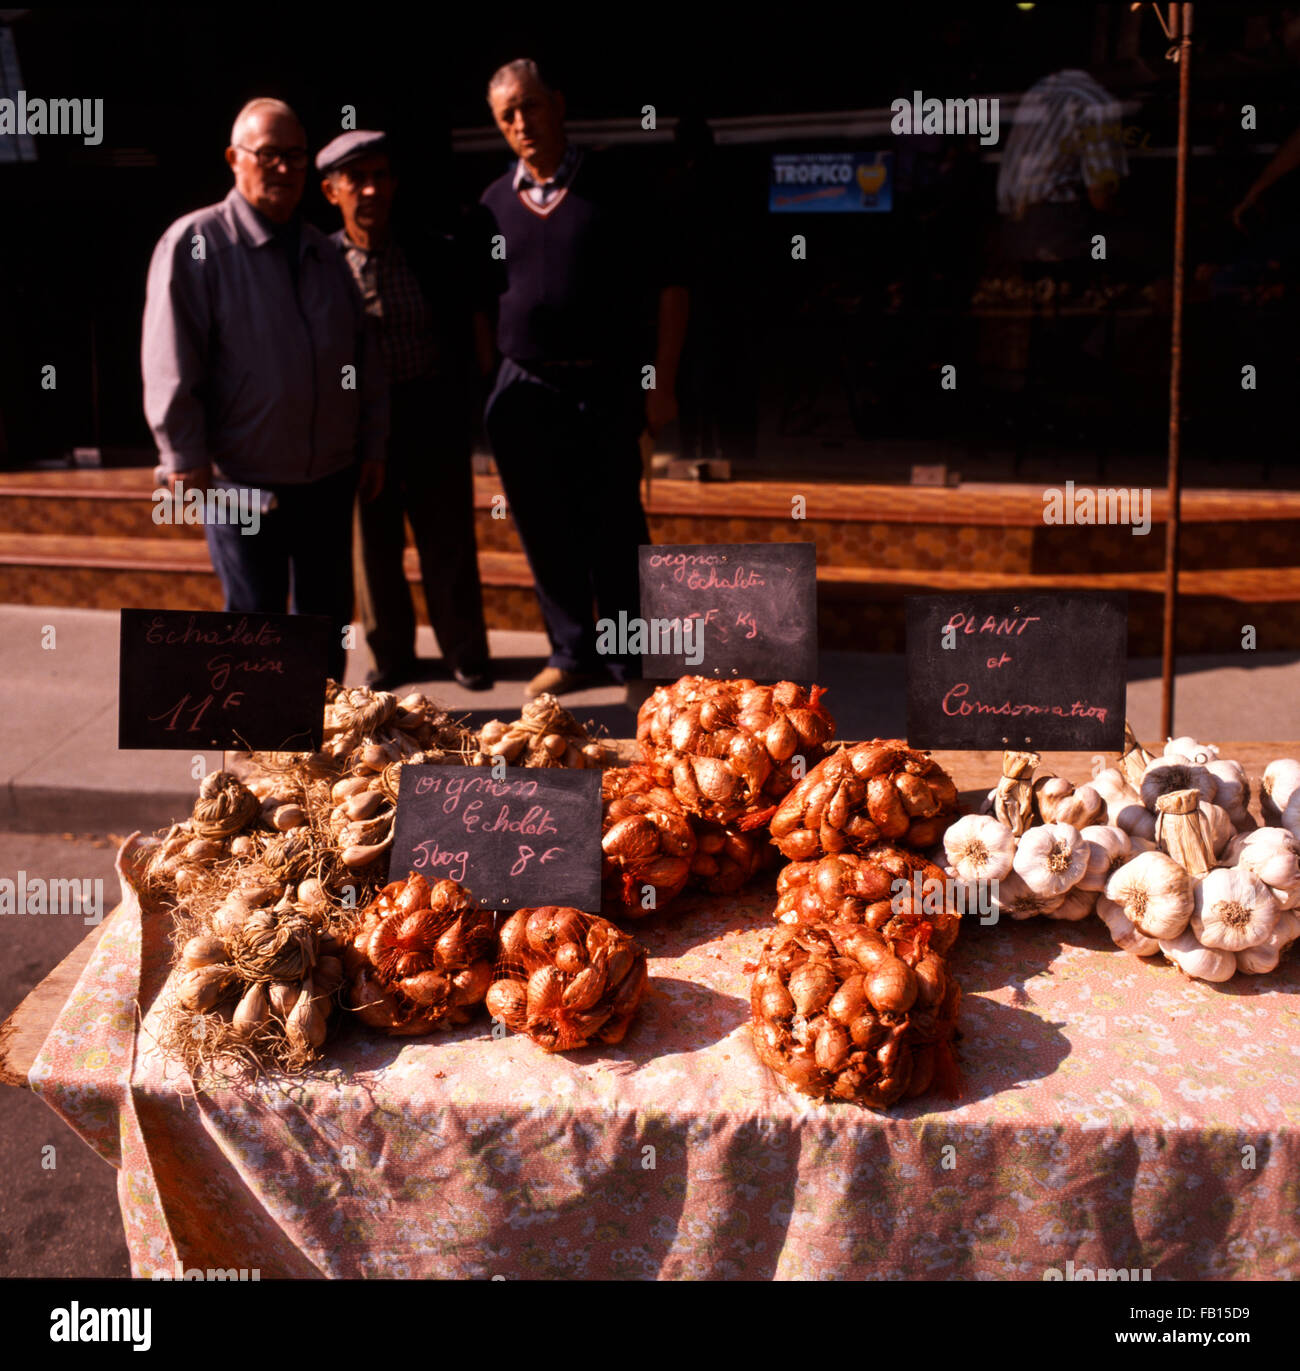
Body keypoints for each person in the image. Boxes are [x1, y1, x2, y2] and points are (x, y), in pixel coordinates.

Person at [142, 98, 387, 682]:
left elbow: (363, 358)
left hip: (327, 475)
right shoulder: (196, 244)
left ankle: (324, 749)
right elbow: (169, 358)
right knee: (255, 626)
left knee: (327, 624)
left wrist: (372, 444)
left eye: (296, 157)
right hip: (237, 477)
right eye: (269, 155)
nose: (284, 169)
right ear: (234, 158)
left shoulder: (324, 253)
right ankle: (260, 758)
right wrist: (182, 455)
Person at [476, 58, 689, 700]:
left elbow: (672, 288)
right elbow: (479, 303)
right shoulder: (490, 205)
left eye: (531, 106)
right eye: (507, 115)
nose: (522, 122)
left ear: (559, 104)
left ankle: (630, 664)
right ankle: (572, 653)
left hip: (606, 385)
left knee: (616, 523)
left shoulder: (618, 187)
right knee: (544, 526)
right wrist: (494, 385)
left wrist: (661, 382)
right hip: (523, 391)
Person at [319, 129, 493, 692]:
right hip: (360, 426)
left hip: (430, 415)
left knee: (448, 541)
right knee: (374, 548)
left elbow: (467, 332)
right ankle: (391, 655)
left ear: (393, 184)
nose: (370, 190)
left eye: (380, 177)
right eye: (356, 180)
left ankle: (465, 652)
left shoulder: (432, 250)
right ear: (332, 192)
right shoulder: (320, 264)